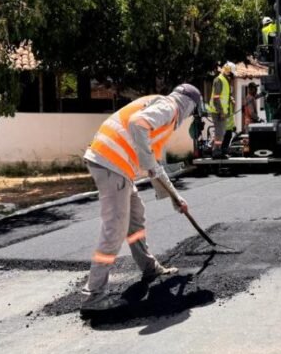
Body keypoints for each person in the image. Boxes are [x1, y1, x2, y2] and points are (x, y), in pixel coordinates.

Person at [80, 84, 203, 311]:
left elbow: (155, 167)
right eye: (192, 111)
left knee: (135, 217)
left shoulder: (161, 111)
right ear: (188, 105)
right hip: (110, 163)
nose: (188, 117)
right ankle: (94, 296)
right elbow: (138, 125)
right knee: (115, 229)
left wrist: (176, 198)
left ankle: (149, 267)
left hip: (115, 166)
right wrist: (147, 162)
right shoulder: (170, 106)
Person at [209, 62, 236, 159]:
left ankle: (217, 151)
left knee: (221, 132)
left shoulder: (224, 80)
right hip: (218, 111)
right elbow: (216, 98)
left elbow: (224, 96)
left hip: (222, 111)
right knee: (219, 132)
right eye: (231, 73)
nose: (232, 76)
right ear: (228, 71)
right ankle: (216, 152)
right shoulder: (219, 80)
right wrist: (220, 112)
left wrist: (230, 99)